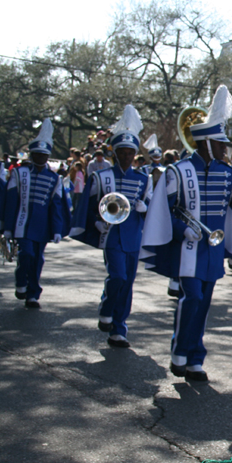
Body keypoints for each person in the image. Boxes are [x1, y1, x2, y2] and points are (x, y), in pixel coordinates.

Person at [141, 85, 232, 382]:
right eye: (221, 143)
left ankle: (194, 358)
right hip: (187, 248)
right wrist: (182, 230)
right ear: (206, 143)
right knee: (191, 298)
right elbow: (165, 211)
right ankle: (180, 351)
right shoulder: (177, 172)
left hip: (213, 250)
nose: (226, 149)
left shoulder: (228, 172)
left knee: (203, 304)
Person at [70, 105, 152, 348]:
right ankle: (106, 305)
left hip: (133, 235)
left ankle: (119, 328)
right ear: (115, 153)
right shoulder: (101, 176)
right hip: (111, 235)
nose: (126, 156)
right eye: (122, 152)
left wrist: (145, 209)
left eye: (130, 153)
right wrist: (95, 221)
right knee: (117, 276)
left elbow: (151, 205)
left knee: (127, 284)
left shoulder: (143, 179)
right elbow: (89, 204)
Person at [3, 119, 68, 308]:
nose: (40, 158)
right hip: (21, 223)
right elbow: (11, 202)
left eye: (44, 155)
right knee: (27, 254)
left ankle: (33, 293)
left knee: (38, 259)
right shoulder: (19, 173)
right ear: (32, 155)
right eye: (37, 155)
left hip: (42, 226)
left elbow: (56, 206)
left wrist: (56, 229)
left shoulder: (55, 178)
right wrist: (7, 227)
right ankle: (21, 282)